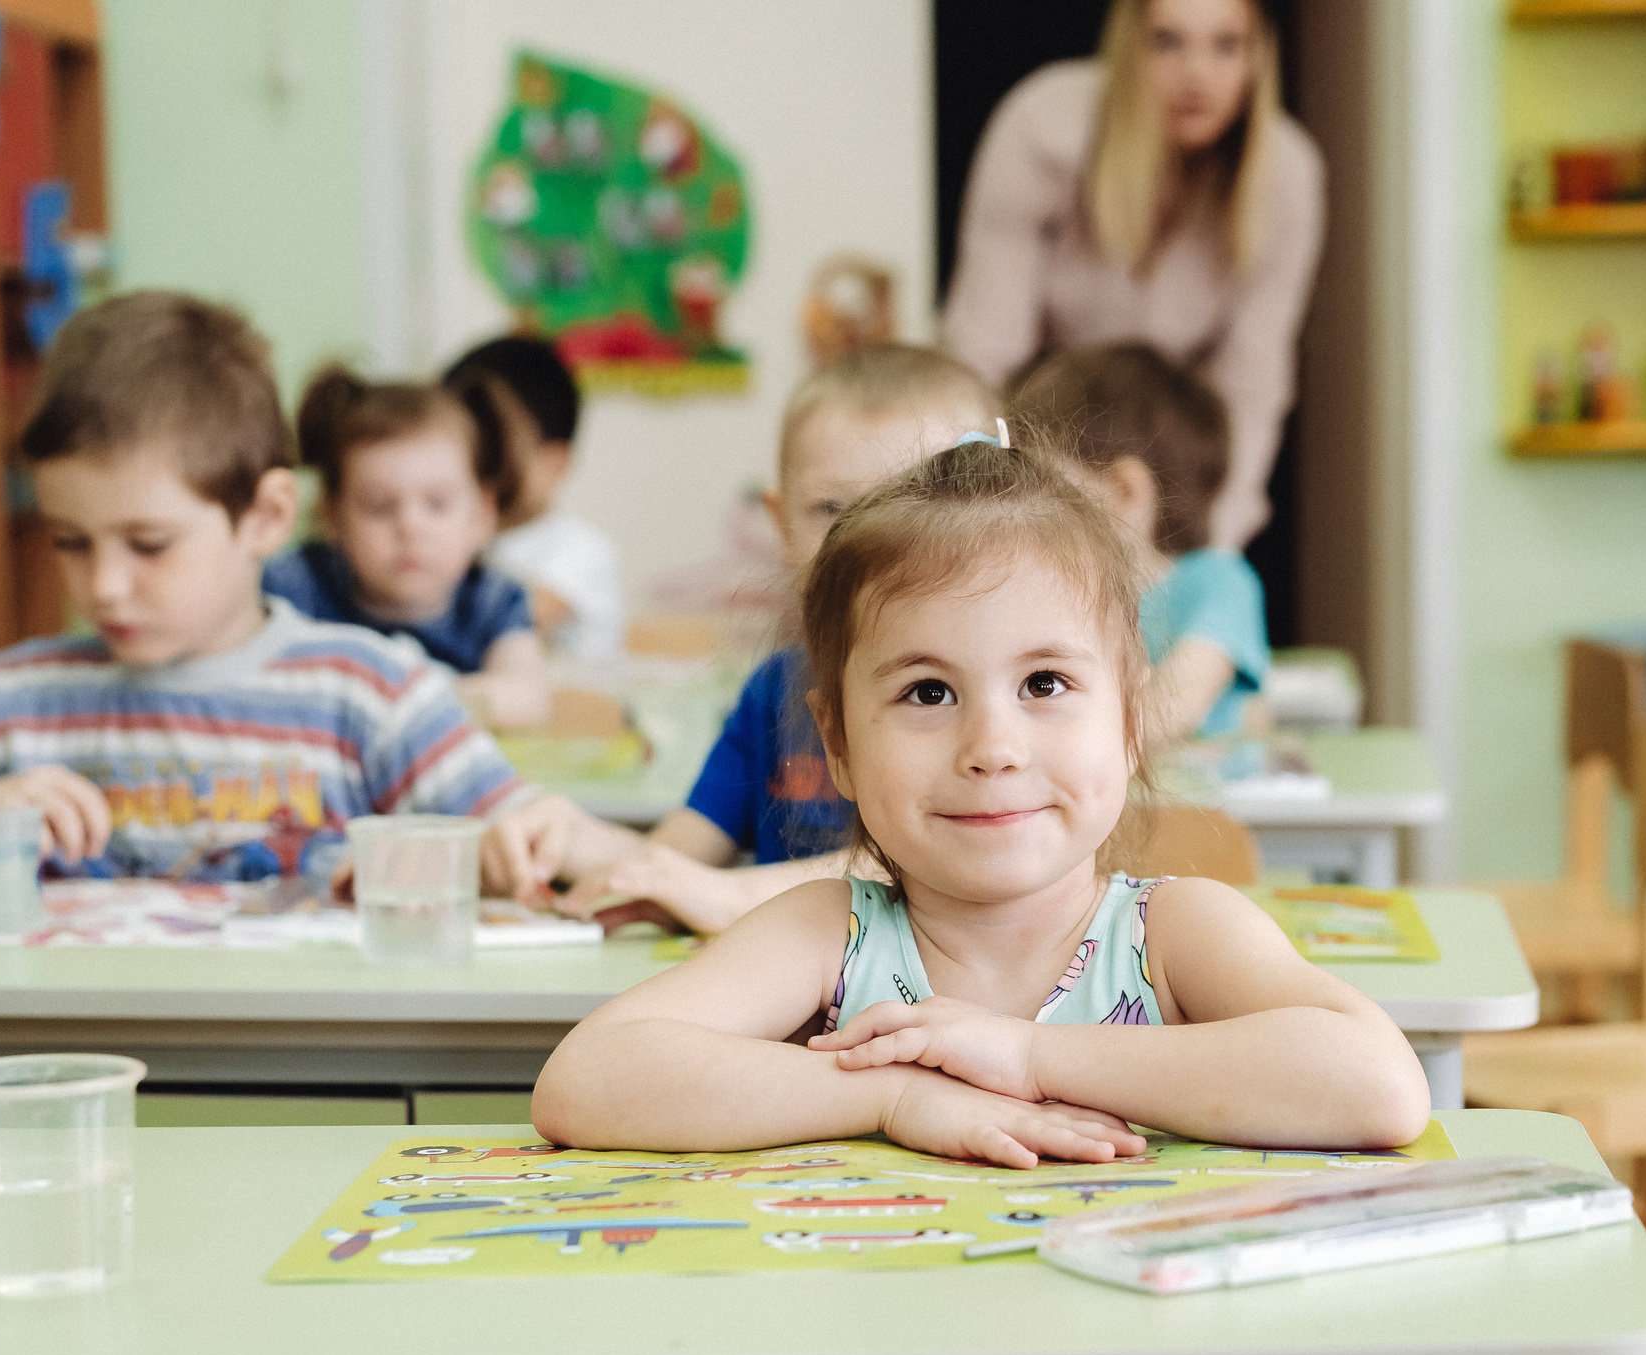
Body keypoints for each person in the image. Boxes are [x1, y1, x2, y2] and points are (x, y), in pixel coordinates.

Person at [530, 435, 1428, 1166]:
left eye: (1044, 682)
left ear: (1128, 718)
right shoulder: (827, 936)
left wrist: (1032, 1058)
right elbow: (587, 1077)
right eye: (928, 692)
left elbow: (1377, 1085)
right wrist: (896, 1094)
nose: (992, 749)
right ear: (838, 742)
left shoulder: (1174, 938)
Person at [0, 292, 535, 883]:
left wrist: (490, 858)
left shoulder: (370, 693)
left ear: (266, 515)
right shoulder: (15, 700)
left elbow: (535, 839)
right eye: (70, 541)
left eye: (149, 544)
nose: (106, 585)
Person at [479, 345, 999, 931]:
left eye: (906, 506)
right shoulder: (774, 688)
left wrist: (722, 895)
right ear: (781, 523)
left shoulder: (980, 696)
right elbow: (678, 860)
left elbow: (924, 865)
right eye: (831, 509)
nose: (862, 544)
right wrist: (571, 838)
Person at [941, 0, 1322, 553]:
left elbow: (1252, 383)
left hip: (1179, 452)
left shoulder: (1287, 177)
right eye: (1167, 41)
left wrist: (1214, 550)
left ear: (1257, 56)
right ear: (1128, 43)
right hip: (1039, 431)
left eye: (1226, 45)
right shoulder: (1041, 130)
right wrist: (967, 509)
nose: (1197, 74)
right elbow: (982, 350)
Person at [263, 366, 553, 729]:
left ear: (482, 515)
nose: (410, 527)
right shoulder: (295, 587)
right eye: (379, 506)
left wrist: (402, 704)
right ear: (331, 515)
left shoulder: (494, 600)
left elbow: (527, 700)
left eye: (437, 504)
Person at [1011, 342, 1266, 743]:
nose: (1017, 511)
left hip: (1202, 804)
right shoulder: (1061, 591)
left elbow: (1170, 709)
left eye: (1039, 490)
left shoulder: (1220, 583)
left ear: (1123, 491)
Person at [444, 334, 625, 662]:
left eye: (494, 453)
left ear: (554, 465)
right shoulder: (460, 536)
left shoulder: (581, 549)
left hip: (576, 710)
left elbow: (517, 615)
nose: (475, 469)